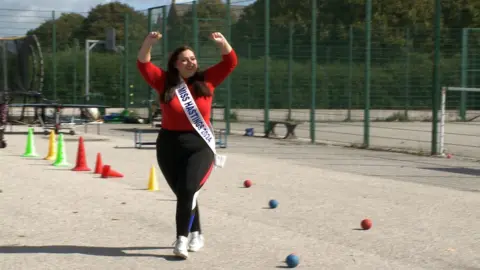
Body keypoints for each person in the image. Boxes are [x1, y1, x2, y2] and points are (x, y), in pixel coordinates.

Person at [136, 31, 237, 259]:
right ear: (175, 65)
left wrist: (222, 43)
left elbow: (230, 62)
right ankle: (196, 233)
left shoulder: (206, 80)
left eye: (193, 59)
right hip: (169, 146)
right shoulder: (164, 82)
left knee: (188, 189)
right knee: (185, 193)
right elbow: (143, 63)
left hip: (199, 145)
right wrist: (148, 43)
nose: (190, 62)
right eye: (184, 60)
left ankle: (180, 239)